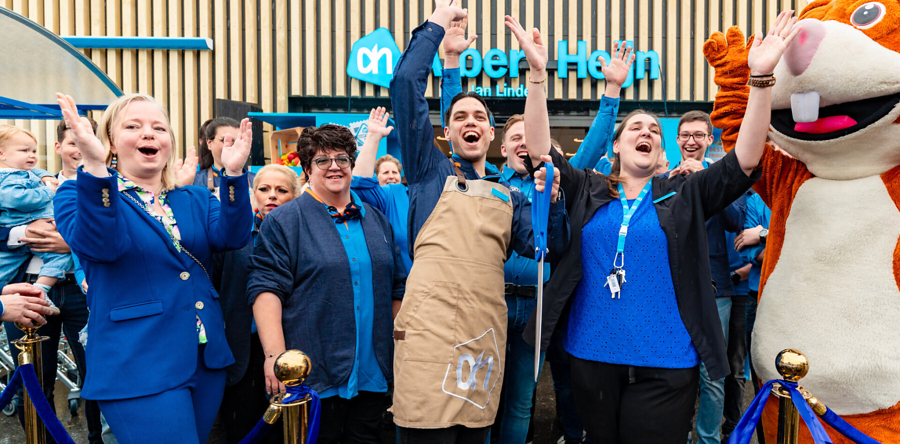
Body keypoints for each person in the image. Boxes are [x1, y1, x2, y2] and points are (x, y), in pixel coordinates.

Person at [513, 10, 800, 442]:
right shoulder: (589, 188)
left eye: (653, 129)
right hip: (592, 357)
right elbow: (539, 150)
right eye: (636, 127)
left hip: (666, 363)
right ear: (618, 144)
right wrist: (538, 74)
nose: (646, 131)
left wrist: (759, 80)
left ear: (658, 149)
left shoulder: (684, 193)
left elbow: (745, 160)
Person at [388, 3, 567, 442]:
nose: (470, 123)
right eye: (459, 117)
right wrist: (434, 28)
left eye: (480, 118)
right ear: (446, 133)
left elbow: (548, 245)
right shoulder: (430, 172)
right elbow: (405, 83)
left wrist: (554, 201)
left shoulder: (511, 195)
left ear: (493, 136)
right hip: (428, 336)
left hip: (482, 338)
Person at [53, 92, 254, 444]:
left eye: (159, 127)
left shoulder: (193, 196)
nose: (149, 134)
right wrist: (97, 170)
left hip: (205, 356)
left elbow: (233, 236)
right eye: (133, 126)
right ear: (111, 141)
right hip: (137, 361)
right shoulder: (76, 194)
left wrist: (233, 174)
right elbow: (104, 246)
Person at [248, 124, 406, 444]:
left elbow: (397, 288)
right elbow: (266, 289)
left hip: (371, 375)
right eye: (323, 160)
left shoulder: (376, 220)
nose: (334, 166)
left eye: (342, 159)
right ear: (307, 169)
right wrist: (274, 357)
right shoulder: (285, 220)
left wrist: (399, 351)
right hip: (313, 376)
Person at [668, 111, 746, 444]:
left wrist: (706, 176)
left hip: (716, 290)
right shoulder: (665, 177)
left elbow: (734, 220)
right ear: (677, 139)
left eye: (699, 135)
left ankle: (708, 439)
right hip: (672, 288)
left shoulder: (722, 175)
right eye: (685, 135)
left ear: (710, 140)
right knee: (675, 370)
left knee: (712, 373)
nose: (691, 141)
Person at [208, 164, 301, 444]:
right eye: (264, 189)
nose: (272, 196)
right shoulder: (232, 238)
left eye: (281, 190)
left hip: (292, 345)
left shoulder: (302, 235)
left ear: (295, 196)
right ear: (252, 194)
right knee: (245, 429)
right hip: (242, 349)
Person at [0, 125, 70, 292]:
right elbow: (16, 198)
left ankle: (41, 290)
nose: (32, 155)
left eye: (34, 151)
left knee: (61, 257)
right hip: (23, 276)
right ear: (58, 147)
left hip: (78, 286)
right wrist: (24, 232)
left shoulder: (35, 176)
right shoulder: (19, 181)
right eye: (24, 150)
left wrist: (72, 243)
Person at [351, 107, 413, 275]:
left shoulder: (439, 192)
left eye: (395, 172)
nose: (391, 176)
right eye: (386, 173)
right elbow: (358, 185)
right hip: (398, 291)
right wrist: (373, 137)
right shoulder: (392, 194)